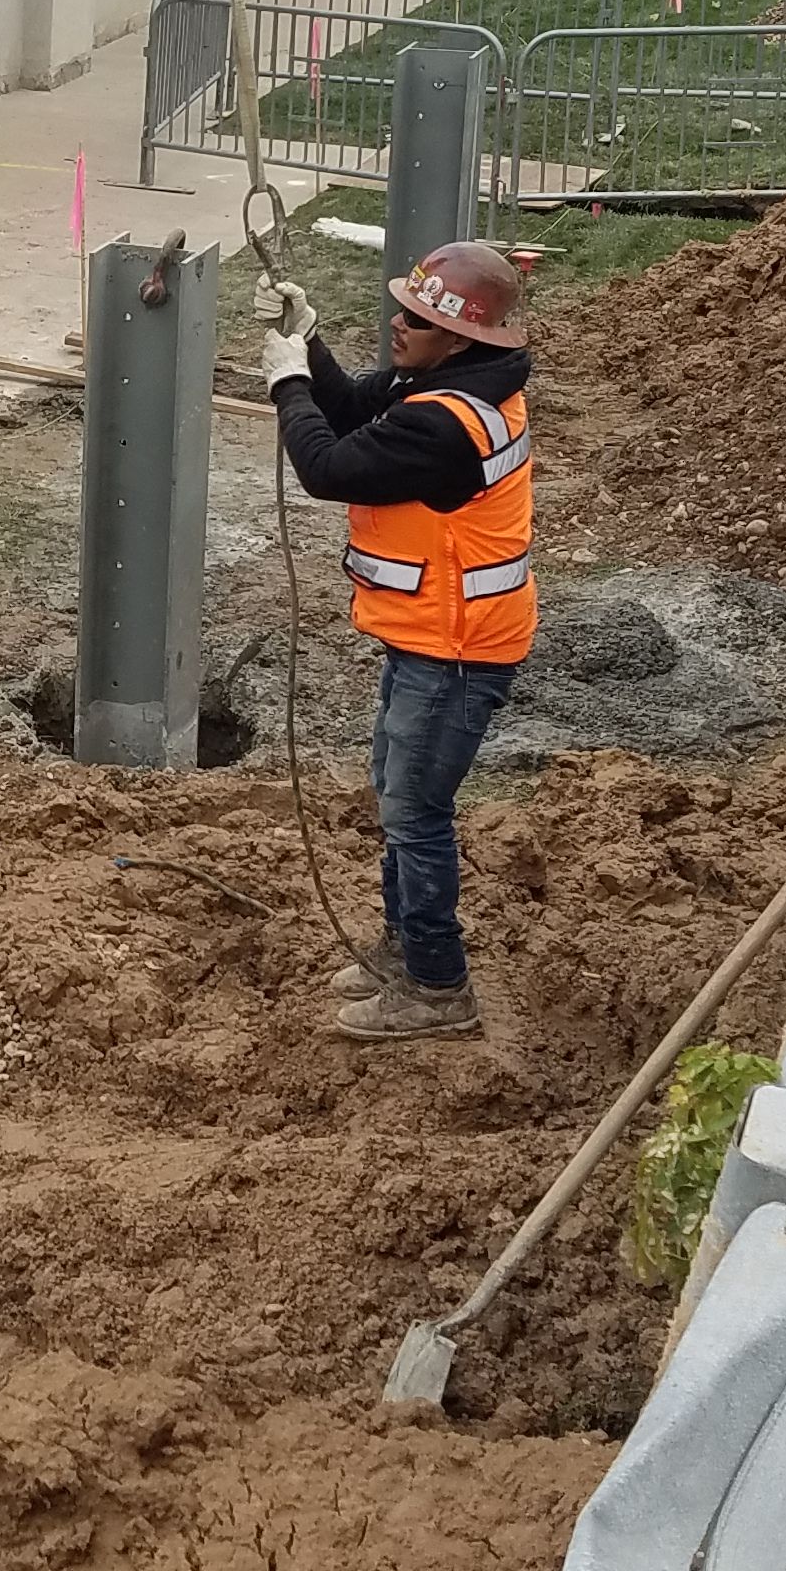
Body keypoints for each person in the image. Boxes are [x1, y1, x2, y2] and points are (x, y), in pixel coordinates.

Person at [263, 242, 539, 1043]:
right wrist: (307, 339)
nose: (398, 325)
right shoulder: (443, 384)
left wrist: (284, 381)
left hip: (458, 649)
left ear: (460, 339)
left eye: (417, 320)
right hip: (431, 637)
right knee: (398, 792)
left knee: (415, 810)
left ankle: (437, 984)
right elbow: (350, 407)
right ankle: (402, 951)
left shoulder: (447, 424)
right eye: (403, 309)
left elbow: (328, 463)